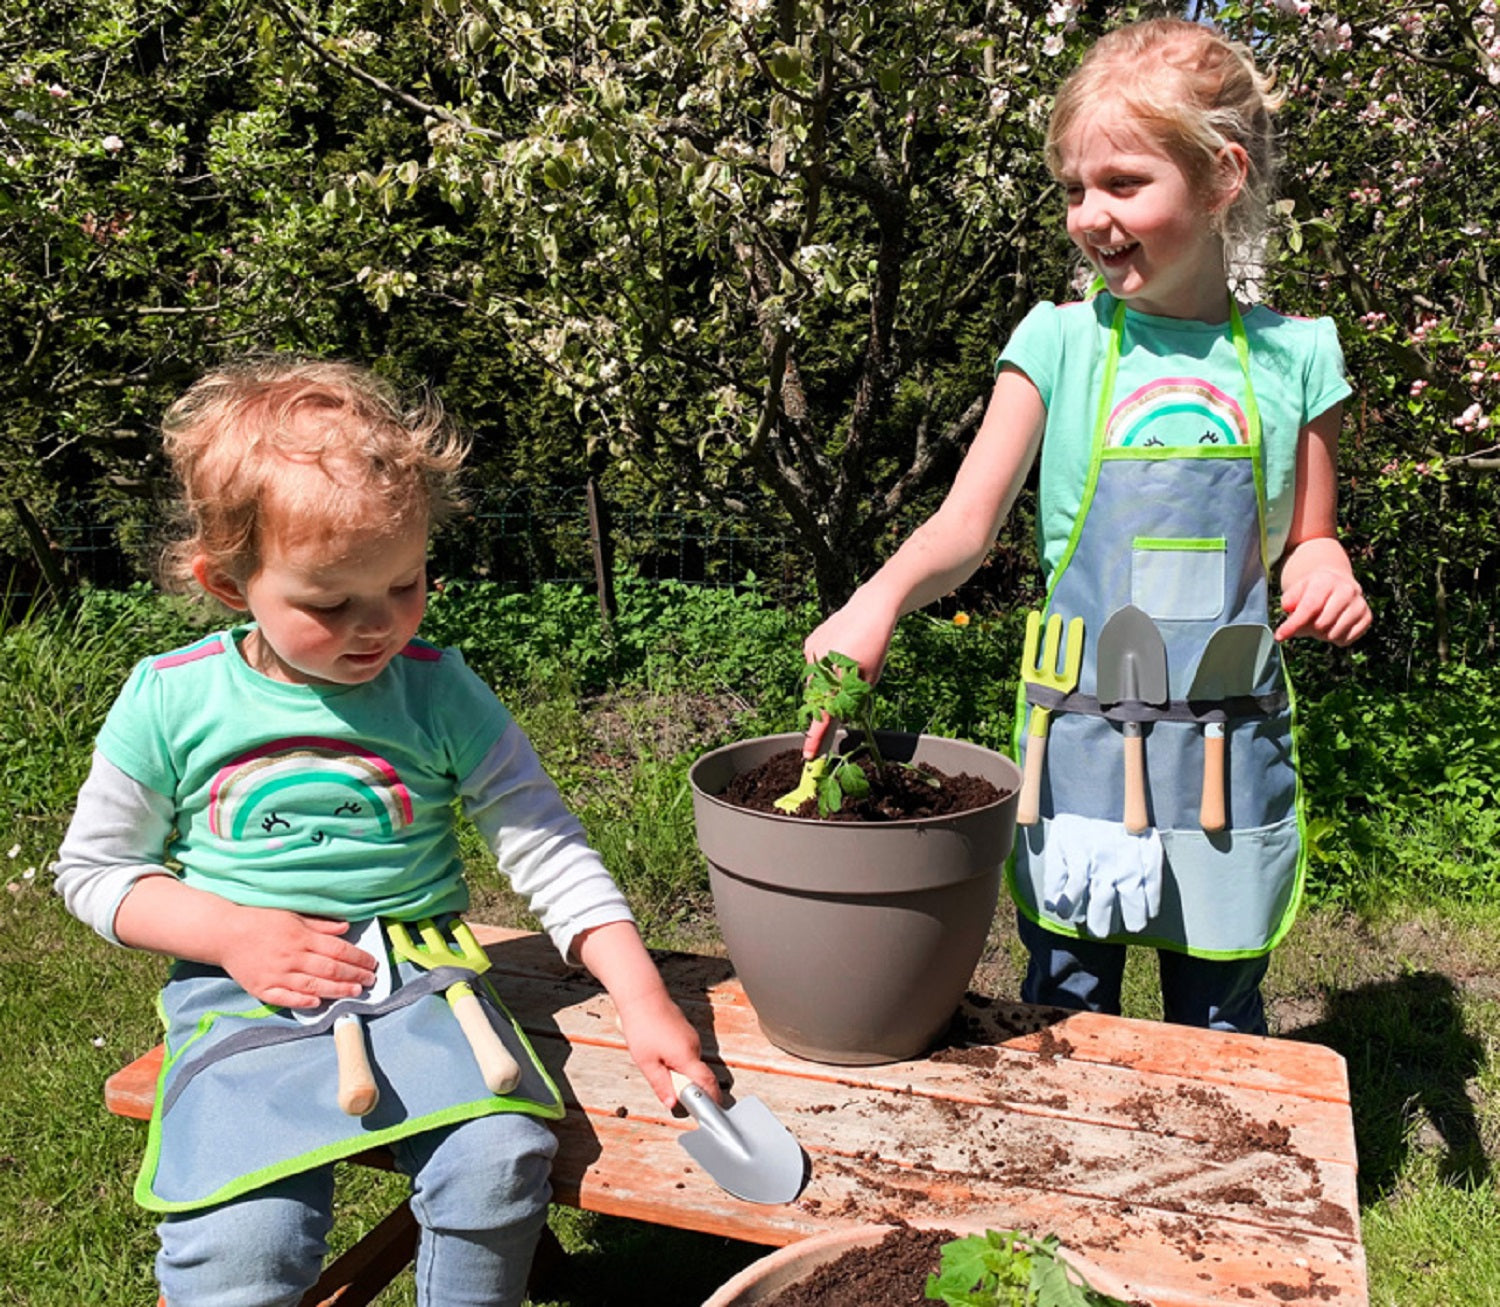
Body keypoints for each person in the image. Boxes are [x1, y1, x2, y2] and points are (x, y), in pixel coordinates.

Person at [53, 356, 719, 1307]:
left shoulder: (438, 691)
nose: (378, 628)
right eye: (329, 604)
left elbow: (546, 843)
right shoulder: (172, 700)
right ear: (229, 583)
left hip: (422, 979)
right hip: (245, 989)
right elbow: (94, 870)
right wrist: (231, 932)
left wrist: (644, 999)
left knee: (497, 1161)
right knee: (245, 1244)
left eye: (406, 584)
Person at [801, 18, 1371, 1036]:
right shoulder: (1058, 343)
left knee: (1219, 1020)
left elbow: (1312, 534)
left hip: (1227, 750)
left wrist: (1326, 564)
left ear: (1222, 177)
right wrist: (875, 598)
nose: (1090, 216)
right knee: (1065, 1010)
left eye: (1123, 183)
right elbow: (966, 525)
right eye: (1074, 188)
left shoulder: (1298, 358)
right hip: (1082, 749)